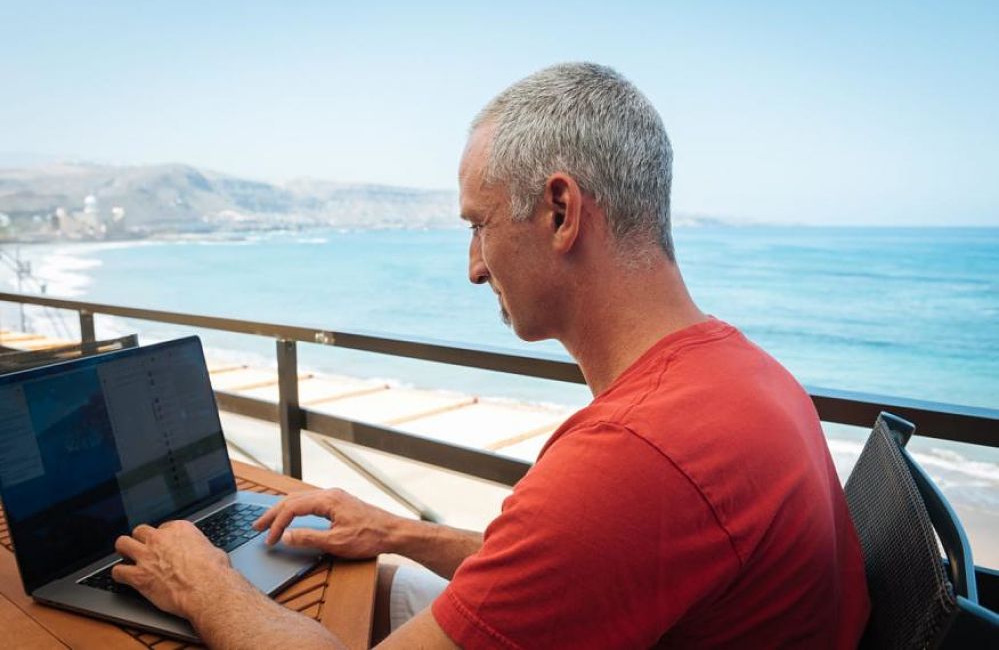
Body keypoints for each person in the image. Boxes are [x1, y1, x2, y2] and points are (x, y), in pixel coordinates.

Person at [112, 63, 870, 648]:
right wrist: (398, 531)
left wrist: (205, 583)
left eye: (478, 225)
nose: (474, 266)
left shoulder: (635, 454)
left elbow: (607, 520)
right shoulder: (741, 371)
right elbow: (591, 562)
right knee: (383, 582)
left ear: (561, 211)